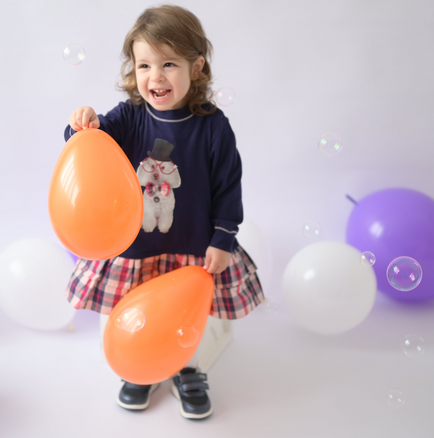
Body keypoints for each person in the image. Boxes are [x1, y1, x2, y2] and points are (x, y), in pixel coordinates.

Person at [63, 5, 264, 420]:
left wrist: (223, 238)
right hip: (137, 246)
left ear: (196, 66)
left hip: (193, 246)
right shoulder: (130, 117)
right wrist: (81, 126)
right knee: (134, 310)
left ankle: (188, 368)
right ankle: (138, 364)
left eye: (169, 64)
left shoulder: (213, 126)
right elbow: (93, 145)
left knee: (188, 315)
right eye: (144, 65)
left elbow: (228, 186)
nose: (155, 76)